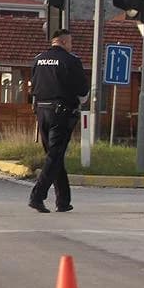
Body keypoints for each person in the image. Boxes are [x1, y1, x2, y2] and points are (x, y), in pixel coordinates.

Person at [28, 28, 89, 213]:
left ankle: (63, 200)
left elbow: (33, 85)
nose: (71, 46)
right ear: (63, 42)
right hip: (61, 113)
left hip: (41, 111)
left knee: (54, 156)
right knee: (55, 156)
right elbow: (83, 92)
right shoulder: (71, 61)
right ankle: (37, 196)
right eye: (70, 42)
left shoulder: (38, 59)